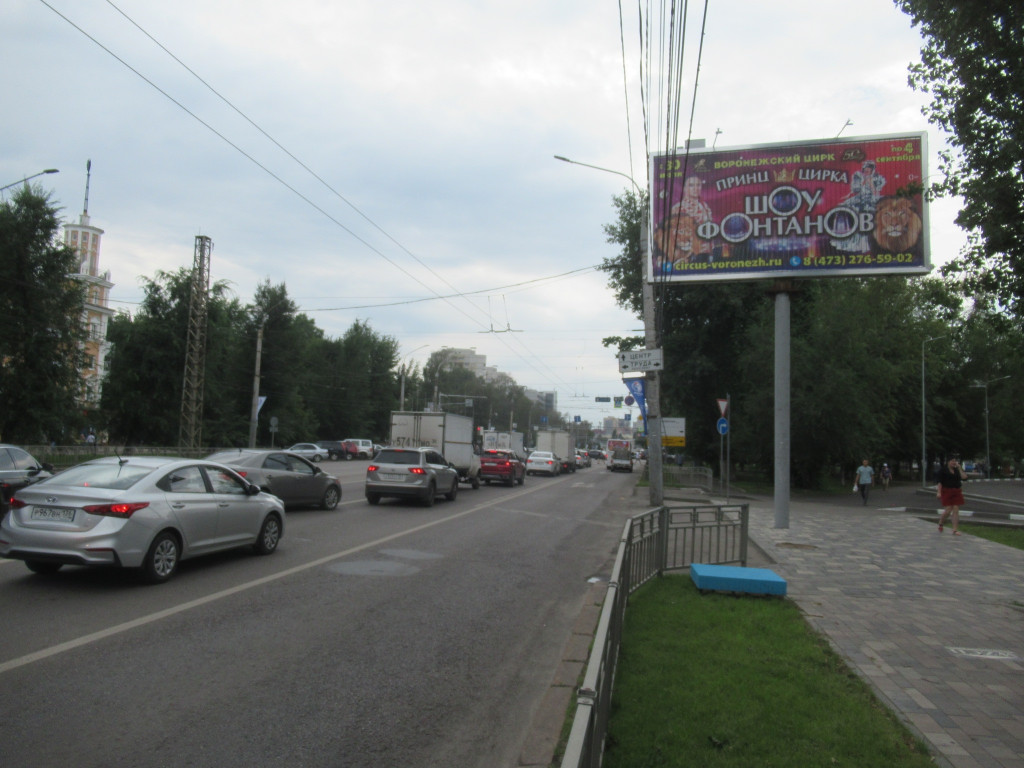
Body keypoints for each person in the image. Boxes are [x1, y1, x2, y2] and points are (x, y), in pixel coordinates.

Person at [937, 455, 968, 535]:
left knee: (956, 509)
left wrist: (960, 468)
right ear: (948, 462)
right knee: (948, 510)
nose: (954, 462)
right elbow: (940, 482)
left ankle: (955, 530)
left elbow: (964, 477)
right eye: (952, 461)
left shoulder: (957, 470)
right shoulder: (943, 470)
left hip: (956, 491)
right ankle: (941, 522)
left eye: (955, 461)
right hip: (946, 491)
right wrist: (939, 492)